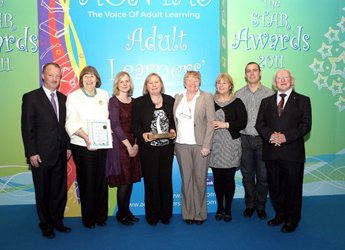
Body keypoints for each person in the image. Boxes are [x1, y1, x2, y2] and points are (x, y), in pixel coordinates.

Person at [255, 69, 312, 233]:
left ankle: (292, 219)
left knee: (293, 188)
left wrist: (285, 137)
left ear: (292, 81)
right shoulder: (266, 101)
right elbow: (260, 124)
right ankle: (280, 214)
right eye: (279, 78)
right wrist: (271, 136)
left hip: (292, 152)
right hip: (271, 152)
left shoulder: (303, 100)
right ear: (274, 83)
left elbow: (306, 125)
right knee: (275, 188)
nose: (282, 80)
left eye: (286, 77)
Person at [21, 62, 71, 239]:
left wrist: (67, 147)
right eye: (51, 75)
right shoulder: (31, 98)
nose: (55, 79)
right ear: (43, 76)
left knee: (59, 190)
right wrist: (31, 152)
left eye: (58, 76)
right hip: (40, 154)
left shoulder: (64, 98)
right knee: (43, 191)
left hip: (60, 153)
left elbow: (65, 127)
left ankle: (58, 221)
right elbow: (27, 128)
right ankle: (46, 224)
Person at [65, 66, 109, 229]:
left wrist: (106, 133)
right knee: (87, 182)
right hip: (82, 145)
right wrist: (86, 137)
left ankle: (101, 216)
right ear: (81, 79)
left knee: (101, 181)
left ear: (97, 79)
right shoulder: (73, 96)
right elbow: (70, 121)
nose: (89, 79)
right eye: (86, 76)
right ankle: (89, 219)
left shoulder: (104, 95)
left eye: (92, 76)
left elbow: (107, 119)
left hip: (102, 145)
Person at [132, 73, 176, 226]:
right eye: (150, 83)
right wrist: (142, 134)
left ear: (161, 84)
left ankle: (165, 214)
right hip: (148, 149)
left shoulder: (170, 100)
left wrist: (172, 130)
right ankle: (152, 215)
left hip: (166, 148)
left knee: (165, 180)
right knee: (151, 181)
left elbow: (175, 121)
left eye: (156, 82)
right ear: (146, 86)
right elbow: (135, 125)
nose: (154, 85)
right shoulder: (139, 102)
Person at [173, 71, 215, 225]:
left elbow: (211, 122)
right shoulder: (178, 97)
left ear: (200, 82)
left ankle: (199, 214)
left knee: (199, 180)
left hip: (200, 146)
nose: (192, 83)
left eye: (196, 79)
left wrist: (206, 145)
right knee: (187, 180)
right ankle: (188, 213)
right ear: (184, 82)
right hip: (181, 145)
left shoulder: (206, 97)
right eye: (189, 80)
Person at [235, 62, 274, 219]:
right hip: (244, 140)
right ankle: (250, 205)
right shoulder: (238, 94)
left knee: (263, 176)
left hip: (263, 141)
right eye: (248, 71)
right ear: (245, 75)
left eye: (254, 71)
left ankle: (261, 206)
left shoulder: (270, 94)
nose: (251, 74)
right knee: (247, 175)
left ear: (260, 73)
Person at [210, 73, 247, 222]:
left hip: (231, 145)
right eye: (219, 83)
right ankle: (219, 208)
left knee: (228, 178)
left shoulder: (237, 102)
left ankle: (228, 209)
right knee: (217, 178)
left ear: (230, 86)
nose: (221, 85)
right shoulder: (209, 101)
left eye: (224, 83)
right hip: (214, 144)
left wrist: (226, 124)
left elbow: (243, 122)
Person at [106, 72, 141, 226]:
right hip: (120, 145)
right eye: (121, 81)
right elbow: (115, 125)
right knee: (124, 180)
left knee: (131, 179)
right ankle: (121, 214)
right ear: (117, 84)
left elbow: (140, 123)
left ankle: (127, 211)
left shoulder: (134, 102)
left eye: (127, 81)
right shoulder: (113, 101)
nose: (125, 84)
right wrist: (128, 145)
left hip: (134, 143)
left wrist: (136, 144)